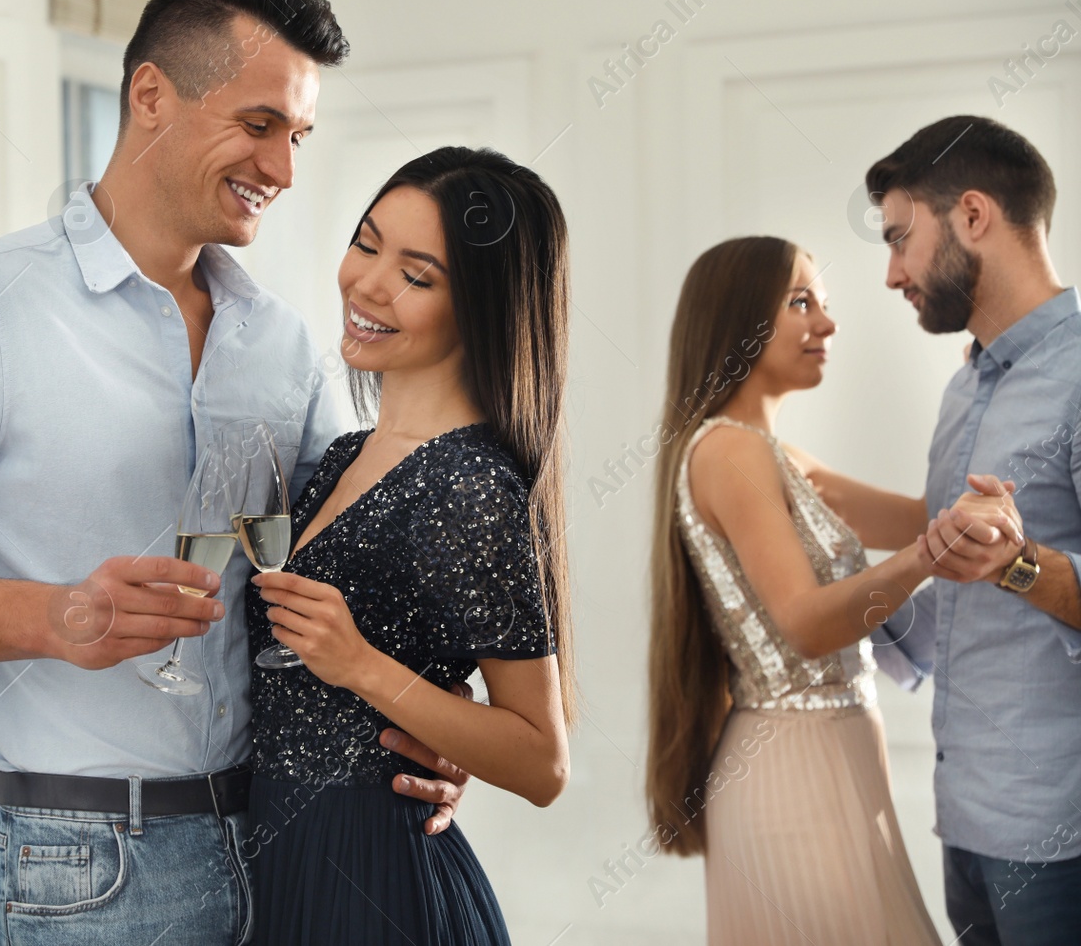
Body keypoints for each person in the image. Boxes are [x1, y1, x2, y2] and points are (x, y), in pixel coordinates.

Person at [0, 0, 470, 945]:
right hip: (88, 862)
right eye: (259, 125)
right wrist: (56, 614)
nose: (282, 170)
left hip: (282, 834)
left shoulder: (275, 340)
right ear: (152, 95)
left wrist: (437, 716)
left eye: (298, 137)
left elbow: (336, 560)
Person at [644, 235, 1016, 944]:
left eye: (824, 301)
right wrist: (926, 558)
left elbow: (925, 513)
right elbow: (808, 625)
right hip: (792, 771)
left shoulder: (777, 457)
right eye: (801, 301)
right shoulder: (731, 451)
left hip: (833, 757)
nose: (828, 323)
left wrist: (981, 394)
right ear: (738, 319)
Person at [245, 146, 572, 944]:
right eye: (366, 243)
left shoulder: (471, 483)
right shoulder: (342, 457)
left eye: (417, 275)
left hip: (375, 886)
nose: (368, 284)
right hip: (280, 866)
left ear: (483, 307)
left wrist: (360, 665)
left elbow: (542, 761)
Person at [867, 116, 1081, 945]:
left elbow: (1003, 572)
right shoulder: (965, 392)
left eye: (900, 239)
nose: (892, 274)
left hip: (1060, 835)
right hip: (962, 823)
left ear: (974, 216)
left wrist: (1017, 565)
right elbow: (955, 598)